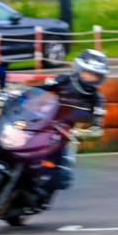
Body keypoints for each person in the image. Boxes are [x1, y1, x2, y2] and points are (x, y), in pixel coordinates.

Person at [35, 49, 108, 203]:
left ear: (100, 78)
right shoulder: (62, 80)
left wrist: (82, 132)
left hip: (64, 136)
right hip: (41, 123)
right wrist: (15, 94)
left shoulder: (97, 99)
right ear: (78, 69)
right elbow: (37, 89)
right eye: (87, 72)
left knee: (63, 176)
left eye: (95, 75)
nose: (90, 77)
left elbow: (97, 126)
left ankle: (42, 197)